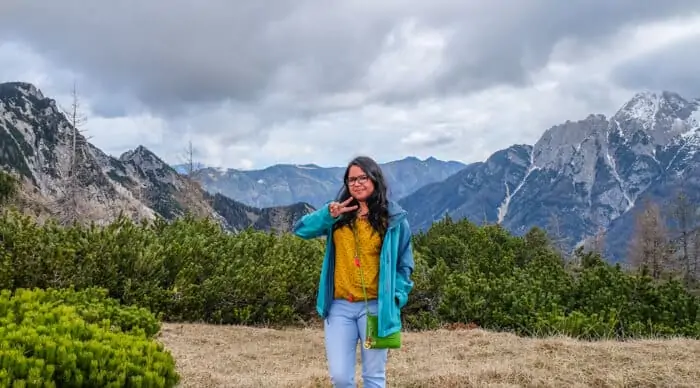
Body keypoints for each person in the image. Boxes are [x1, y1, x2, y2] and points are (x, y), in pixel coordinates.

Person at [292, 155, 415, 388]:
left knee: (374, 377)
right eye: (351, 180)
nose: (357, 183)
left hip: (377, 307)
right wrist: (328, 215)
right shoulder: (338, 215)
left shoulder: (394, 220)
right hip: (339, 306)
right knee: (339, 377)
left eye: (362, 178)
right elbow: (301, 231)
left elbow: (405, 264)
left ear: (375, 180)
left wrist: (396, 297)